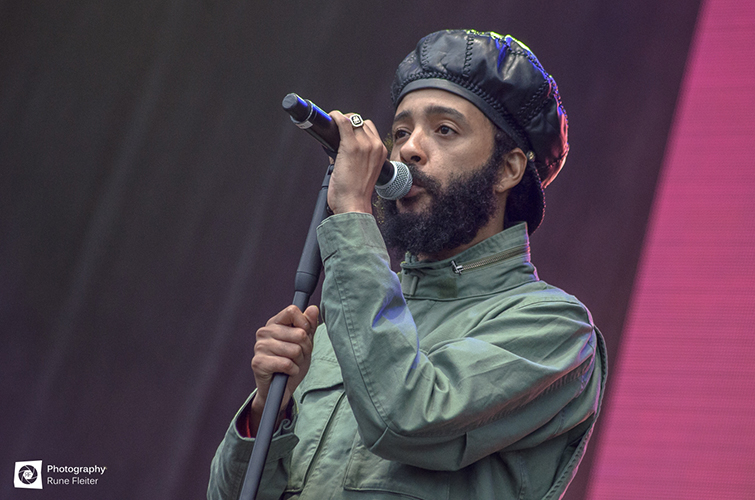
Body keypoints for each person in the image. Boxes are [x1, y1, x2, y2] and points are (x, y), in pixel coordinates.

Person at [208, 29, 607, 500]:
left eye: (444, 130)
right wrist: (267, 412)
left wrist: (353, 212)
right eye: (401, 132)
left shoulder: (554, 329)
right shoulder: (348, 319)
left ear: (508, 169)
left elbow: (405, 418)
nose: (409, 149)